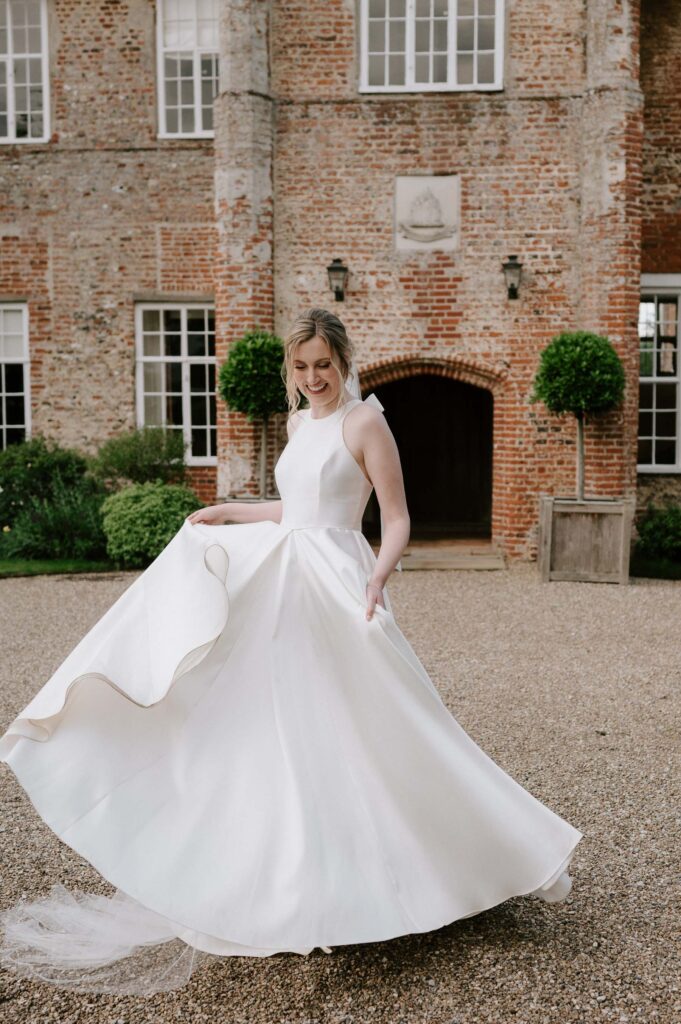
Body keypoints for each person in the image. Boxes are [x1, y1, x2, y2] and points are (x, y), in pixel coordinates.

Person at [0, 308, 583, 996]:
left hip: (336, 581)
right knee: (272, 715)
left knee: (384, 719)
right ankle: (297, 873)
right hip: (283, 574)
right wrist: (231, 511)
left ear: (342, 361)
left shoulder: (365, 421)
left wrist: (376, 575)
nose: (312, 379)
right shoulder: (299, 422)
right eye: (301, 367)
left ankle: (481, 849)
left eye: (322, 366)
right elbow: (297, 506)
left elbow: (393, 517)